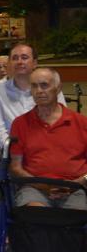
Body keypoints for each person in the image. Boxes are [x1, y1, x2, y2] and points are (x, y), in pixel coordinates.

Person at [10, 68, 87, 209]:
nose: (39, 90)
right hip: (34, 188)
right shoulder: (20, 124)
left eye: (44, 85)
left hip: (75, 189)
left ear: (58, 88)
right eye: (34, 86)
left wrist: (75, 184)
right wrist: (44, 186)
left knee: (75, 217)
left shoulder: (81, 123)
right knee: (37, 214)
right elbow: (16, 167)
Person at [0, 43, 66, 149]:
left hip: (49, 149)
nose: (20, 62)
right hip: (13, 152)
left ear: (34, 63)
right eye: (15, 58)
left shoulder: (50, 88)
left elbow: (62, 123)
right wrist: (17, 150)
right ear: (10, 64)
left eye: (24, 57)